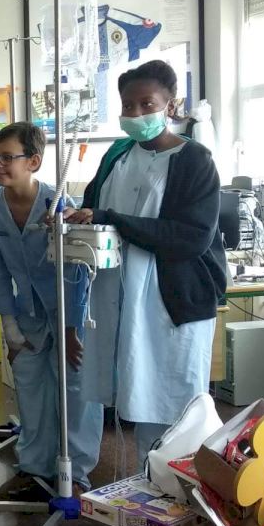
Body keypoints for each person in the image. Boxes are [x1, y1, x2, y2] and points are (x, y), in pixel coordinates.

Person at [64, 59, 224, 481]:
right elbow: (95, 211)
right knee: (135, 398)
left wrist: (112, 218)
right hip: (120, 297)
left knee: (171, 407)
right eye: (127, 105)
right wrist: (72, 220)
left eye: (146, 104)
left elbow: (191, 237)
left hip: (170, 303)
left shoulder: (194, 160)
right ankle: (145, 493)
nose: (135, 113)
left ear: (170, 105)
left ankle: (177, 499)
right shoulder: (118, 155)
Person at [0, 123, 103, 500]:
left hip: (69, 310)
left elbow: (78, 269)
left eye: (7, 157)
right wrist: (9, 327)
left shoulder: (59, 204)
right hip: (27, 312)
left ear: (33, 161)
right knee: (30, 388)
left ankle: (77, 474)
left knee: (76, 390)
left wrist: (72, 328)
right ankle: (34, 469)